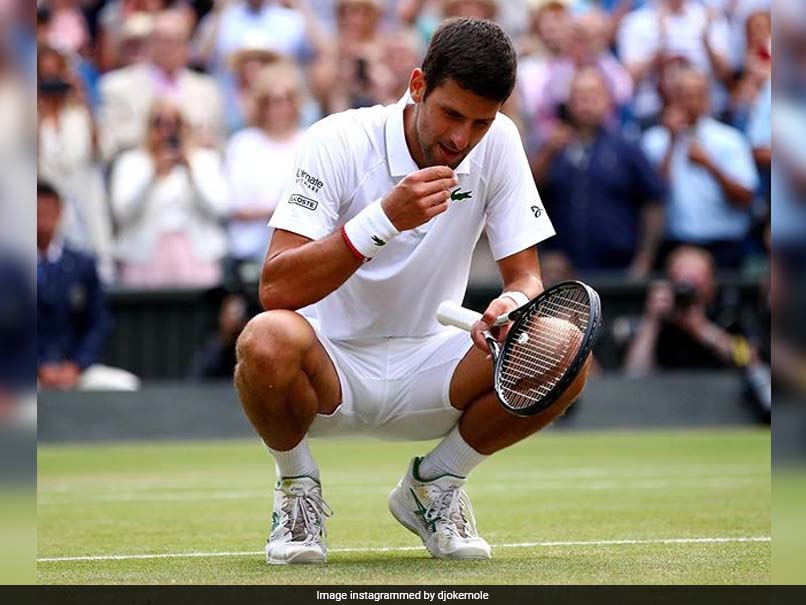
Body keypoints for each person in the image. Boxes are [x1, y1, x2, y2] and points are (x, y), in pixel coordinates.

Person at [234, 18, 590, 565]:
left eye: (480, 121)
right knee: (265, 339)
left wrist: (512, 306)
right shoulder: (337, 139)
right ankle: (297, 489)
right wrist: (383, 220)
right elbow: (276, 286)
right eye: (451, 114)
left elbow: (525, 277)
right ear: (418, 85)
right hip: (329, 370)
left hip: (435, 366)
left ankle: (437, 483)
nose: (461, 139)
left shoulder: (499, 142)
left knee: (562, 347)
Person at [531, 67, 664, 276]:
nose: (586, 103)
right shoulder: (551, 147)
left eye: (593, 95)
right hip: (563, 270)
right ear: (568, 102)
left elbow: (654, 201)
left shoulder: (626, 148)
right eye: (580, 96)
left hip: (618, 268)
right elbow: (528, 195)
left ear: (608, 100)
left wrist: (644, 259)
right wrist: (547, 153)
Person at [642, 68, 758, 269]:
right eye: (683, 96)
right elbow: (653, 196)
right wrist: (671, 143)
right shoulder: (655, 140)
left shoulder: (729, 140)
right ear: (672, 99)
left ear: (707, 99)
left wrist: (710, 166)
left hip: (723, 244)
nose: (691, 103)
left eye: (697, 95)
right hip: (673, 244)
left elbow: (745, 198)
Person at [109, 99, 229, 288]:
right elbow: (122, 212)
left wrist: (191, 173)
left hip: (197, 259)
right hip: (143, 260)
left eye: (175, 123)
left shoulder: (205, 160)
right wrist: (153, 175)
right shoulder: (131, 162)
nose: (167, 131)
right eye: (159, 123)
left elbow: (220, 208)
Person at [37, 181, 140, 391]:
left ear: (60, 212)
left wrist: (76, 365)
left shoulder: (82, 264)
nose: (42, 219)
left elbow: (98, 322)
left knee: (125, 386)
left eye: (48, 211)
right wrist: (38, 366)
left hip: (76, 369)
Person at [97, 8, 225, 162]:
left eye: (173, 41)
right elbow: (111, 143)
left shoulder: (207, 89)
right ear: (149, 44)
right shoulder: (117, 86)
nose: (166, 49)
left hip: (194, 167)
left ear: (186, 45)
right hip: (140, 167)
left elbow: (219, 144)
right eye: (160, 41)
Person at [225, 61, 307, 283]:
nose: (279, 108)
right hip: (248, 252)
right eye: (271, 101)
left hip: (298, 252)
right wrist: (281, 209)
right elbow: (235, 204)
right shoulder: (243, 143)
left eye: (286, 99)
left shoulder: (309, 141)